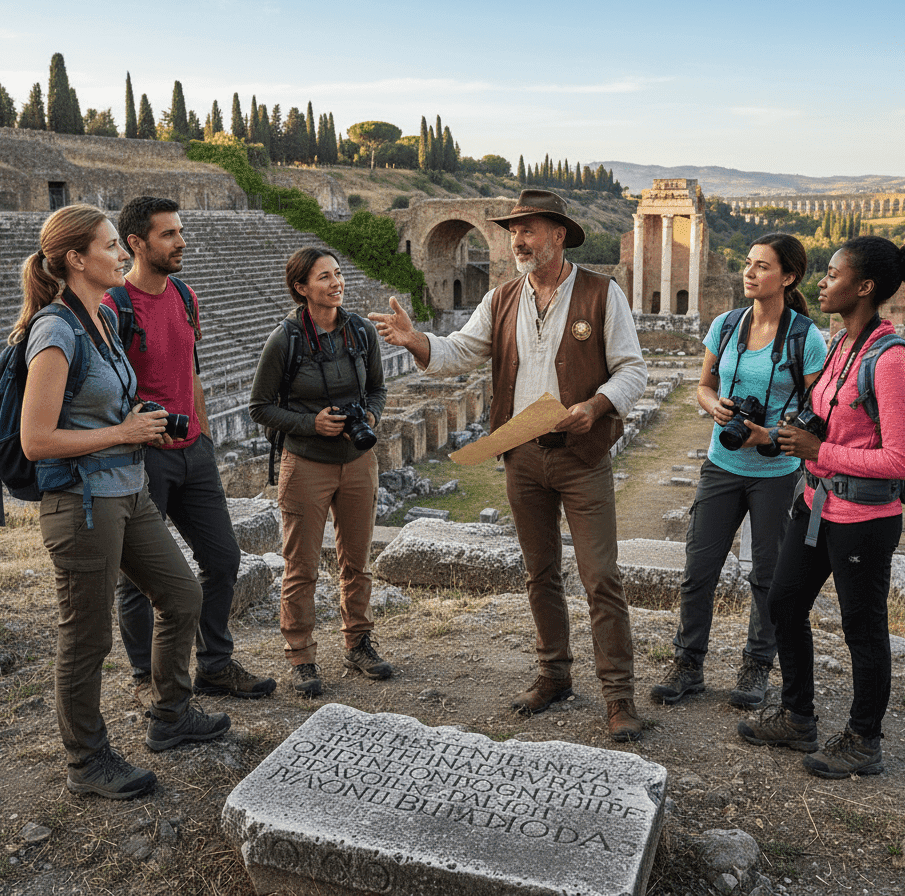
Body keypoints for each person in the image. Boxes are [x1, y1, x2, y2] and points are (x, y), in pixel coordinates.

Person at [369, 189, 649, 741]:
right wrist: (416, 342)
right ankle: (553, 675)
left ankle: (618, 696)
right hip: (523, 457)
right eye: (513, 230)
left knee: (600, 577)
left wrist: (595, 406)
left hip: (581, 456)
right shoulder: (500, 299)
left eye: (528, 230)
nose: (517, 240)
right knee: (538, 573)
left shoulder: (601, 293)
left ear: (558, 235)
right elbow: (459, 352)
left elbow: (632, 370)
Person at [18, 204, 231, 801]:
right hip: (82, 503)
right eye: (111, 246)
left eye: (119, 244)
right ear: (75, 260)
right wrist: (122, 434)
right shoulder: (56, 331)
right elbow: (36, 441)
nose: (120, 255)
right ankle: (86, 760)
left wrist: (140, 425)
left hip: (127, 490)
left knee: (182, 594)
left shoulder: (101, 322)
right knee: (87, 637)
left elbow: (108, 408)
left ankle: (170, 715)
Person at [737, 236, 905, 779]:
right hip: (815, 504)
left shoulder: (888, 360)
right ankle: (799, 718)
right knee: (785, 603)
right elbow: (828, 416)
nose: (821, 281)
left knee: (862, 630)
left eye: (833, 273)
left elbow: (901, 459)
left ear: (863, 287)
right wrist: (783, 435)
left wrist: (821, 450)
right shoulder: (842, 344)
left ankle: (865, 740)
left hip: (864, 521)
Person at [104, 196, 275, 704]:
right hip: (144, 456)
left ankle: (215, 665)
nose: (182, 241)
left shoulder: (184, 295)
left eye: (180, 231)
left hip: (192, 450)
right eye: (168, 234)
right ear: (135, 243)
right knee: (137, 579)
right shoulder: (114, 307)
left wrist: (200, 434)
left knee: (222, 559)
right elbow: (105, 389)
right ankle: (144, 678)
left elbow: (192, 372)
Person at [652, 234, 827, 710]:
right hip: (721, 464)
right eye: (748, 264)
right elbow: (704, 386)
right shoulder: (726, 325)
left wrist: (766, 435)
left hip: (775, 471)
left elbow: (817, 414)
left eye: (762, 267)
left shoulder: (806, 338)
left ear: (787, 277)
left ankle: (756, 666)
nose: (749, 273)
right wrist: (717, 408)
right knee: (697, 570)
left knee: (767, 576)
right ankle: (688, 664)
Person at [249, 247, 389, 696]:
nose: (336, 283)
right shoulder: (285, 339)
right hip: (306, 463)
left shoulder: (362, 332)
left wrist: (371, 417)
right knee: (301, 567)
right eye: (324, 277)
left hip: (357, 461)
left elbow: (379, 389)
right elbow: (260, 407)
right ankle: (302, 657)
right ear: (302, 288)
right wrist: (311, 423)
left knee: (357, 562)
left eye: (339, 273)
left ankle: (359, 643)